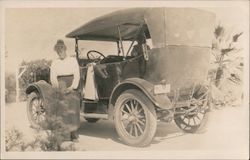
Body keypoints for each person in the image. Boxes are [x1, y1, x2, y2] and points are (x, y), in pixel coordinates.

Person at [50, 39, 80, 142]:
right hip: (60, 84)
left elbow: (77, 74)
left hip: (72, 84)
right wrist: (58, 87)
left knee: (73, 110)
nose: (60, 53)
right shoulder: (55, 62)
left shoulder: (72, 60)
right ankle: (64, 135)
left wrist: (72, 87)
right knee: (63, 110)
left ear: (65, 49)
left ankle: (74, 135)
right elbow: (53, 77)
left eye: (61, 51)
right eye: (58, 52)